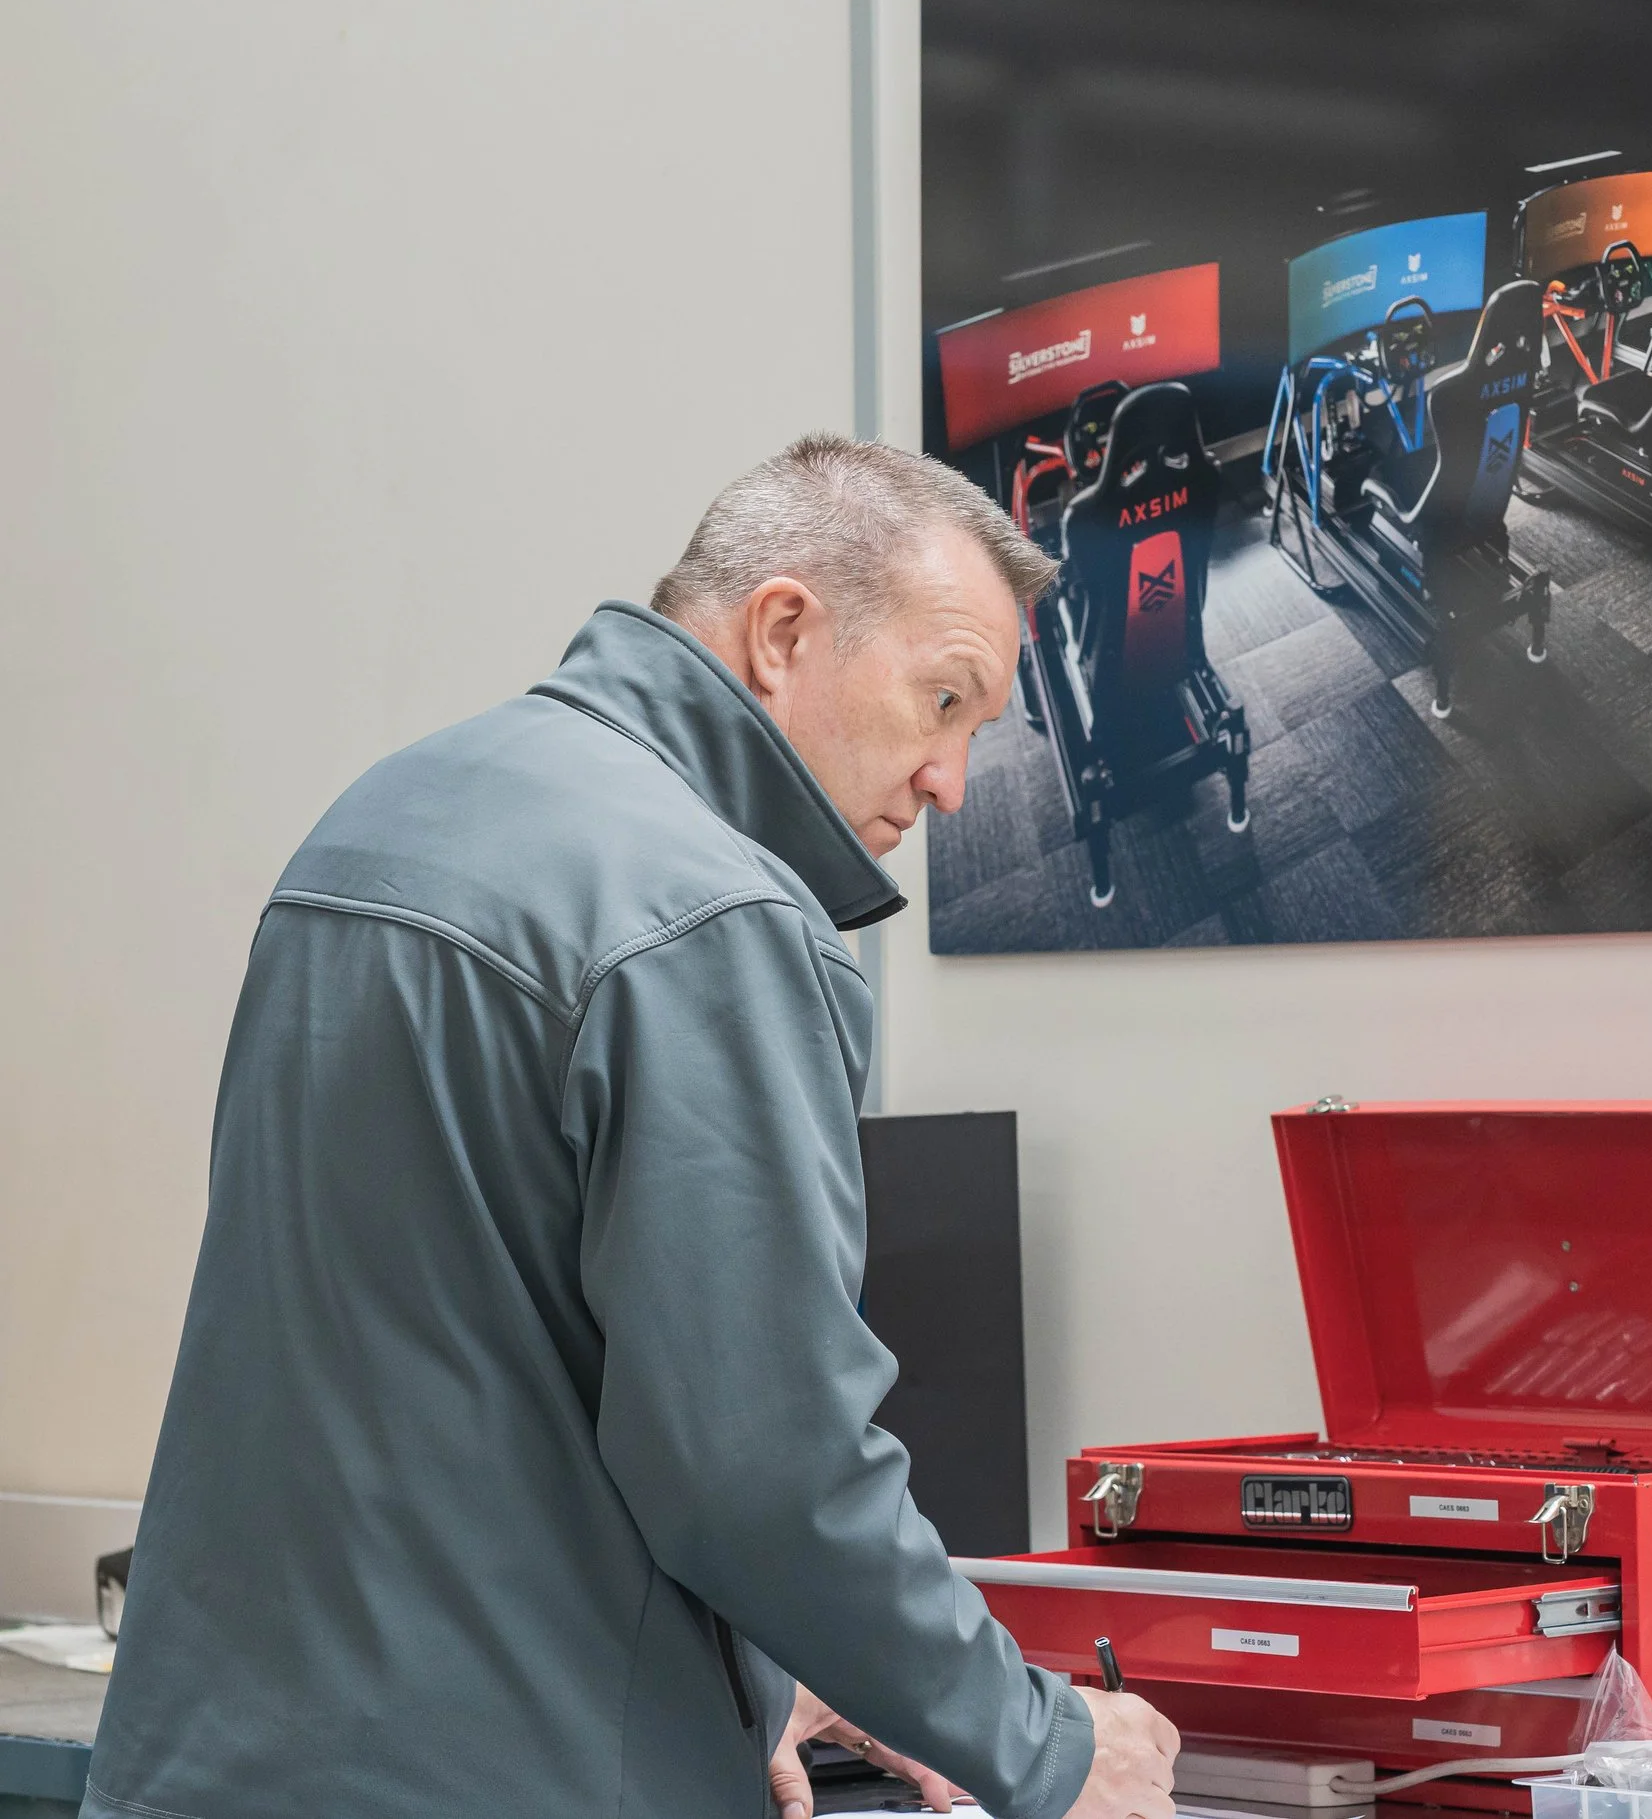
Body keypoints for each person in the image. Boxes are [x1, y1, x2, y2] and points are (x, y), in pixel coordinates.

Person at [82, 437, 1181, 1819]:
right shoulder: (712, 916)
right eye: (942, 699)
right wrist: (1052, 1749)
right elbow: (764, 1472)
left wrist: (760, 1680)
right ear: (783, 630)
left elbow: (452, 1383)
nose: (953, 778)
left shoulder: (375, 823)